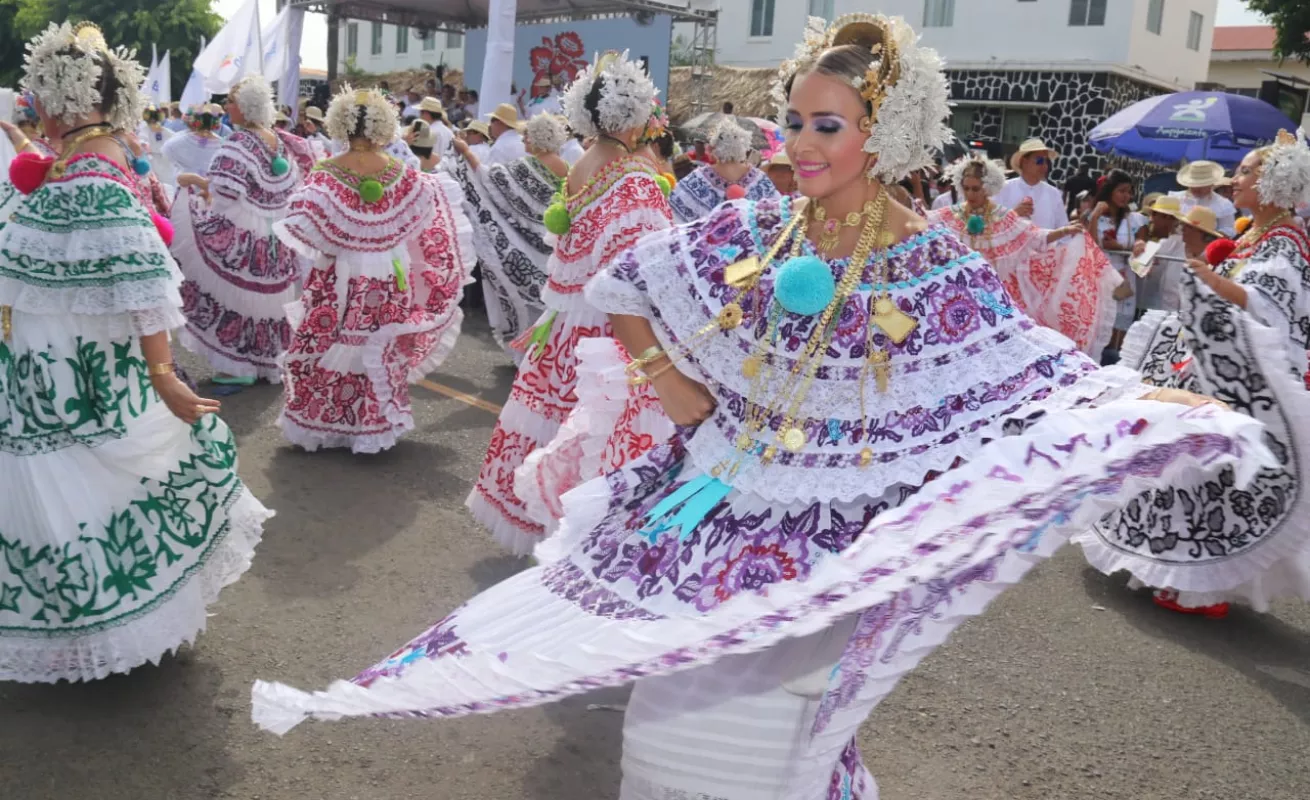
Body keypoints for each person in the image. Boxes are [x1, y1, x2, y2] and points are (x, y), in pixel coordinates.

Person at [252, 18, 1258, 796]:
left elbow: (1037, 368)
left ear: (884, 131)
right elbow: (624, 288)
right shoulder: (758, 225)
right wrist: (674, 390)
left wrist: (1156, 399)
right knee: (659, 723)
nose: (803, 142)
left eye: (829, 125)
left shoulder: (927, 253)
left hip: (816, 537)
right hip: (706, 502)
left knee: (764, 736)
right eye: (796, 121)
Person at [1, 21, 271, 684]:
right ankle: (82, 628)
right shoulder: (86, 160)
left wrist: (160, 373)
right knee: (58, 485)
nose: (40, 112)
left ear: (62, 102)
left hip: (71, 361)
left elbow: (143, 279)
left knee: (83, 481)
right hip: (45, 361)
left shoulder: (96, 171)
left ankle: (102, 626)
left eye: (43, 101)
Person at [1076, 129, 1310, 618]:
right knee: (1186, 466)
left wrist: (1211, 280)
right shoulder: (1254, 232)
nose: (1236, 178)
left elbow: (1274, 307)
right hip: (1208, 366)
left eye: (1246, 171)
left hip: (1239, 377)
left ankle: (1200, 586)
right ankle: (1179, 573)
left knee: (1205, 472)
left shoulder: (1287, 238)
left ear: (1274, 183)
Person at [465, 51, 673, 555]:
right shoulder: (636, 179)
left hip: (565, 327)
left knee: (557, 421)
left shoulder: (582, 165)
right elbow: (646, 274)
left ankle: (546, 522)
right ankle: (575, 536)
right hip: (609, 331)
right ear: (637, 116)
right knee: (595, 434)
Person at [273, 87, 472, 453]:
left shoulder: (328, 170)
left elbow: (303, 222)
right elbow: (422, 214)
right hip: (389, 270)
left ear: (341, 126)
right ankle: (371, 424)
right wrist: (381, 236)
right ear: (382, 126)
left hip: (340, 271)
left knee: (330, 338)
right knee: (378, 342)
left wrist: (342, 239)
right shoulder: (402, 172)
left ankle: (326, 421)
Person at [170, 76, 303, 385]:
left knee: (236, 295)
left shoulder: (240, 141)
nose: (227, 107)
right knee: (266, 299)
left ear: (245, 106)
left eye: (231, 101)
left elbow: (224, 192)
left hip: (247, 233)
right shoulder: (276, 139)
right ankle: (263, 361)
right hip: (275, 233)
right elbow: (287, 186)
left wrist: (194, 183)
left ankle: (238, 367)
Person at [927, 153, 1116, 357]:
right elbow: (921, 225)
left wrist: (1064, 231)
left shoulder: (1002, 215)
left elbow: (1034, 236)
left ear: (988, 188)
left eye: (976, 188)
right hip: (956, 293)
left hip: (992, 296)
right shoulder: (950, 215)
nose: (970, 194)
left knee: (998, 346)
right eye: (966, 188)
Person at [449, 112, 568, 358]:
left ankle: (532, 352)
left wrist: (466, 152)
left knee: (530, 306)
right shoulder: (566, 166)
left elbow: (490, 179)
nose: (523, 141)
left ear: (537, 138)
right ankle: (551, 351)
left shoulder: (528, 166)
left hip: (527, 251)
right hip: (554, 247)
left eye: (527, 136)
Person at [668, 116, 778, 223]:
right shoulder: (760, 181)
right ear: (745, 148)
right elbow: (777, 216)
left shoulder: (696, 180)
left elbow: (677, 222)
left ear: (713, 147)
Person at [1089, 170, 1145, 355]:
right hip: (1100, 275)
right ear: (1110, 190)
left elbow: (1142, 242)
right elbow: (1090, 244)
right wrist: (1095, 216)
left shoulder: (1134, 219)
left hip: (1124, 276)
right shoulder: (1094, 216)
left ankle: (1113, 359)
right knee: (1097, 320)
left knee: (1119, 325)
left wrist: (1135, 245)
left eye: (1129, 192)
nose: (1126, 196)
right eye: (1121, 191)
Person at [1129, 195, 1185, 314]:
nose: (1151, 219)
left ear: (1169, 218)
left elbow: (1137, 265)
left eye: (1155, 214)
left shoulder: (1175, 243)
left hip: (1157, 306)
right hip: (1142, 301)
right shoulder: (1148, 238)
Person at [995, 138, 1066, 230]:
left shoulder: (1054, 194)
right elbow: (991, 227)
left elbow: (1063, 230)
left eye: (1046, 161)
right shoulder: (1003, 189)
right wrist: (1013, 214)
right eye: (1040, 160)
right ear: (1024, 162)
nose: (1044, 166)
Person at [1170, 160, 1238, 237]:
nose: (1197, 188)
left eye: (1202, 185)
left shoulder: (1223, 205)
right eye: (1194, 184)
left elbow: (1229, 229)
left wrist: (1212, 236)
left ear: (1211, 184)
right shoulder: (1175, 198)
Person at [161, 104, 224, 177]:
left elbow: (167, 152)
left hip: (187, 181)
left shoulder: (183, 139)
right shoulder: (221, 143)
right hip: (209, 183)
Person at [137, 103, 177, 189]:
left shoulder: (143, 131)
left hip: (152, 164)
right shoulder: (169, 132)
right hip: (166, 165)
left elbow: (141, 144)